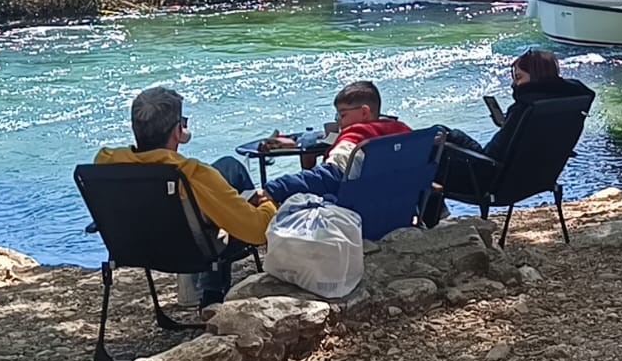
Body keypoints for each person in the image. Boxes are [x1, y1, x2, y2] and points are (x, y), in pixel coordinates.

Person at [95, 87, 275, 305]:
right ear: (178, 131)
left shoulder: (106, 163)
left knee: (228, 167)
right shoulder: (193, 175)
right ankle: (211, 295)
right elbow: (256, 231)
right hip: (193, 250)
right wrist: (267, 203)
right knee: (228, 181)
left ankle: (205, 292)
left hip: (135, 248)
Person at [437, 50, 596, 204]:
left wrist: (453, 137)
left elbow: (489, 159)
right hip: (537, 179)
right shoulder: (567, 105)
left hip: (490, 186)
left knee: (431, 144)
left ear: (537, 77)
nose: (514, 84)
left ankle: (427, 219)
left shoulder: (524, 109)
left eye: (518, 77)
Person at [263, 81, 413, 202]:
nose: (339, 122)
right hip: (400, 210)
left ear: (364, 112)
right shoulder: (403, 132)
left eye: (342, 115)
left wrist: (276, 188)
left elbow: (328, 178)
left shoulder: (355, 138)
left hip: (361, 219)